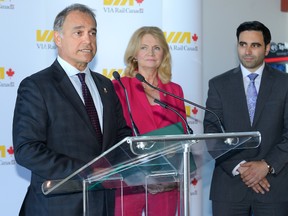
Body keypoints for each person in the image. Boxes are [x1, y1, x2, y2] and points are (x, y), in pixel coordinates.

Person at [12, 3, 131, 216]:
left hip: (102, 204)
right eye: (79, 32)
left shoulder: (106, 86)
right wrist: (88, 170)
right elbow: (27, 150)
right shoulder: (37, 86)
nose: (88, 39)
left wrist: (130, 164)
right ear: (58, 38)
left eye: (92, 33)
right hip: (57, 207)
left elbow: (121, 137)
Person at [204, 21, 288, 216]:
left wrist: (266, 165)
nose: (247, 51)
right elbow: (211, 132)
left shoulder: (284, 84)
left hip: (273, 186)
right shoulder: (218, 84)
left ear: (267, 48)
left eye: (255, 45)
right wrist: (241, 167)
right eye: (243, 44)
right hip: (229, 185)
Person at [113, 26, 187, 216]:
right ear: (134, 54)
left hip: (166, 182)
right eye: (144, 47)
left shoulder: (175, 90)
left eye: (157, 48)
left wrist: (169, 176)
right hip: (129, 181)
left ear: (164, 54)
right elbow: (115, 138)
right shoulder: (119, 87)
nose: (151, 53)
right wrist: (141, 176)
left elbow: (182, 136)